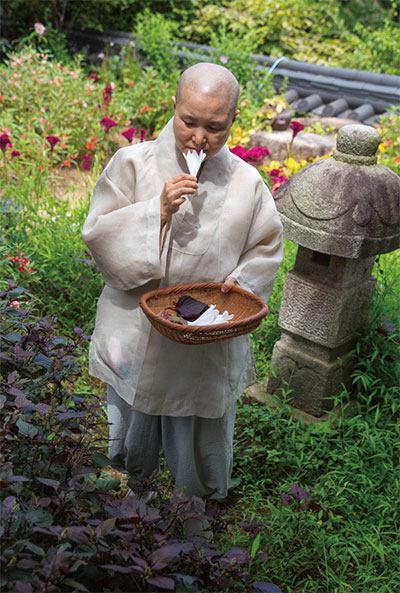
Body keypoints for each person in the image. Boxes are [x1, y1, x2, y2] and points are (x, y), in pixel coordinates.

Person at [82, 62, 283, 500]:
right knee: (134, 411)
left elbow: (266, 249)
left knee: (197, 420)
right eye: (188, 121)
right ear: (174, 106)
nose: (199, 137)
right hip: (137, 327)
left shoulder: (247, 183)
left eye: (214, 127)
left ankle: (196, 502)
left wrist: (236, 283)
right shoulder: (132, 163)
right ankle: (132, 485)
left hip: (205, 337)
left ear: (233, 120)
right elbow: (98, 234)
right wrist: (156, 211)